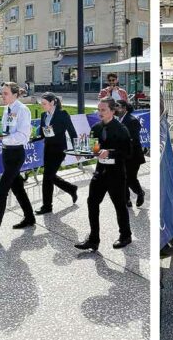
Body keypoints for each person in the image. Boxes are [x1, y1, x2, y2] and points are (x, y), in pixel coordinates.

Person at [0, 82, 35, 239]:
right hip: (6, 153)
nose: (2, 96)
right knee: (17, 188)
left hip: (16, 154)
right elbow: (5, 129)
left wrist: (5, 137)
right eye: (2, 93)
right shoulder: (6, 109)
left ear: (15, 94)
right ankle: (30, 217)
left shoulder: (23, 110)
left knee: (0, 191)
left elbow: (24, 136)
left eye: (5, 93)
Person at [75, 98, 132, 251]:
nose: (99, 113)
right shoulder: (96, 128)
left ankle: (125, 235)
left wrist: (111, 152)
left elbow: (127, 152)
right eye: (98, 110)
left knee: (119, 205)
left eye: (103, 110)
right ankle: (93, 239)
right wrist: (84, 153)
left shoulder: (121, 129)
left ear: (113, 111)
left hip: (116, 173)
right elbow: (95, 149)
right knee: (92, 202)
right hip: (100, 172)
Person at [34, 92, 79, 215]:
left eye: (44, 103)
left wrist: (77, 150)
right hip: (48, 149)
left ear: (52, 102)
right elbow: (43, 134)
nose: (42, 106)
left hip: (59, 150)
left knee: (47, 177)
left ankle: (47, 206)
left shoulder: (62, 114)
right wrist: (32, 138)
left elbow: (72, 132)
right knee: (50, 175)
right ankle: (71, 188)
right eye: (41, 103)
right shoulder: (44, 115)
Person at [115, 99, 146, 208]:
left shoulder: (132, 120)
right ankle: (126, 199)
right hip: (121, 156)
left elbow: (132, 139)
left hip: (133, 156)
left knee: (131, 178)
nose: (115, 108)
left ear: (124, 108)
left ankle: (140, 193)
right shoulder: (117, 120)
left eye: (117, 106)